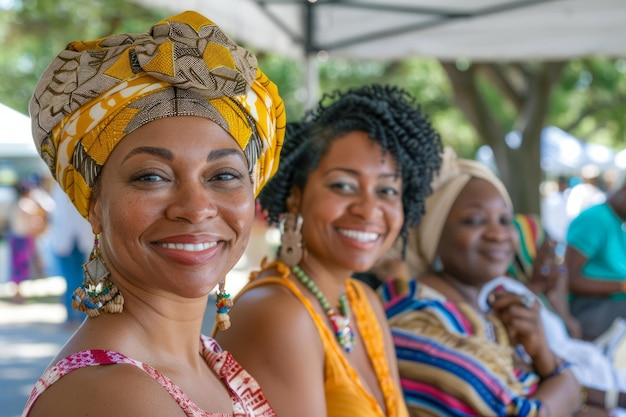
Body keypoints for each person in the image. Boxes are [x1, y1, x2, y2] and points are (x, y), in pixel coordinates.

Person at [22, 10, 286, 417]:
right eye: (151, 176)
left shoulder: (205, 359)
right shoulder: (114, 395)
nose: (196, 208)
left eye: (224, 175)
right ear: (94, 207)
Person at [213, 84, 443, 417]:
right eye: (343, 186)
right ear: (295, 194)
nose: (368, 209)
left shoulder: (362, 301)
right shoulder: (279, 313)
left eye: (387, 190)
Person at [377, 148, 580, 417]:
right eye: (474, 220)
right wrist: (561, 378)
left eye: (505, 220)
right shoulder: (416, 319)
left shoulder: (492, 309)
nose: (499, 234)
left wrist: (544, 355)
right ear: (433, 234)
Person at [566, 173, 626, 341]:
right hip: (588, 308)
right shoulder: (595, 219)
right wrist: (622, 286)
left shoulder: (617, 222)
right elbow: (569, 278)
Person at [49, 182, 93, 327]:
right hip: (65, 242)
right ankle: (73, 316)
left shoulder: (82, 186)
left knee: (81, 279)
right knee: (71, 280)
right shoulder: (60, 187)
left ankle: (81, 316)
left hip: (80, 242)